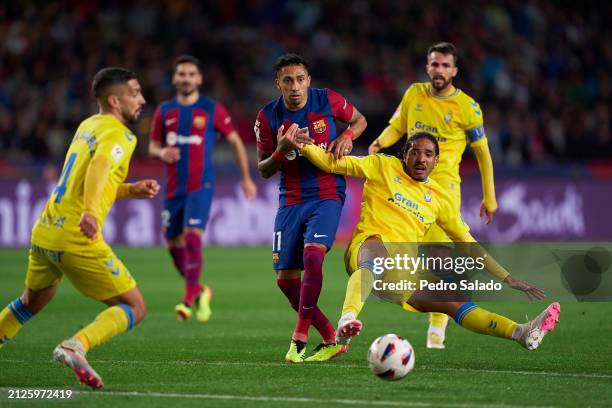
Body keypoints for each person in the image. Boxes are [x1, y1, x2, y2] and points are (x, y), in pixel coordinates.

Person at [288, 129, 559, 353]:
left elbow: (467, 241)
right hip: (365, 252)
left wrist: (506, 277)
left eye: (428, 154)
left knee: (454, 302)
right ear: (404, 154)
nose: (421, 158)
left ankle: (522, 333)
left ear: (436, 162)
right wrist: (304, 146)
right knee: (377, 251)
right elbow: (333, 163)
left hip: (402, 273)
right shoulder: (382, 165)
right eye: (414, 151)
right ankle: (347, 319)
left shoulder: (439, 199)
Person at [0, 67, 159, 389]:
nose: (141, 99)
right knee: (135, 307)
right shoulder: (120, 134)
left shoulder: (88, 125)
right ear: (114, 100)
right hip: (76, 235)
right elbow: (100, 167)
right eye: (134, 93)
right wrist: (89, 212)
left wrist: (130, 189)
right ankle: (76, 345)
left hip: (46, 229)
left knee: (32, 300)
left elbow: (85, 180)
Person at [368, 42, 498, 349]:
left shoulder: (467, 107)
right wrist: (377, 143)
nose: (439, 70)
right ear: (428, 67)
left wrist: (489, 196)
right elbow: (396, 126)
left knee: (439, 259)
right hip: (406, 185)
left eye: (445, 65)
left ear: (454, 70)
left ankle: (438, 323)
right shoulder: (414, 93)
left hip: (442, 191)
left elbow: (483, 154)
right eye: (434, 64)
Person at [255, 53, 367, 363]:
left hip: (327, 193)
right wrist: (282, 149)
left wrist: (346, 135)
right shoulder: (267, 117)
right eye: (287, 80)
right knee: (286, 281)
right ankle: (330, 337)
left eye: (300, 79)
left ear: (309, 81)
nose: (295, 86)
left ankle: (299, 338)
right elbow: (263, 168)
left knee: (313, 255)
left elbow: (360, 120)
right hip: (290, 199)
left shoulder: (327, 101)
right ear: (278, 83)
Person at [149, 55, 257, 322]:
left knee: (192, 235)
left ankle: (187, 300)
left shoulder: (211, 108)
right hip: (174, 189)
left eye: (191, 74)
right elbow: (152, 146)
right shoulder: (164, 111)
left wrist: (246, 177)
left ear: (199, 79)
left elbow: (235, 141)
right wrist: (162, 152)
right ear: (174, 78)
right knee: (173, 243)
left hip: (201, 185)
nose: (186, 78)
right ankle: (200, 290)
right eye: (181, 74)